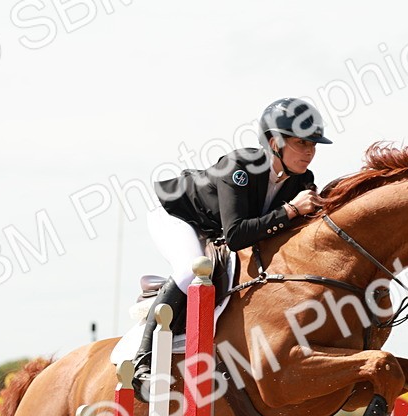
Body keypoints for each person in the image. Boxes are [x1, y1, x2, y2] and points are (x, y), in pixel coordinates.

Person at [132, 97, 333, 400]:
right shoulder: (239, 167)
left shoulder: (302, 180)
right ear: (274, 141)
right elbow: (238, 235)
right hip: (177, 215)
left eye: (313, 145)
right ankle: (142, 364)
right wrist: (291, 210)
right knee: (192, 270)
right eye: (301, 143)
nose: (309, 152)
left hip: (217, 228)